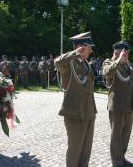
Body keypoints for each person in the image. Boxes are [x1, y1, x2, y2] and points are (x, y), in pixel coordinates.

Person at [54, 31, 97, 167]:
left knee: (86, 148)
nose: (91, 51)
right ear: (82, 47)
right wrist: (74, 53)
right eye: (89, 48)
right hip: (74, 112)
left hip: (89, 111)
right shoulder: (69, 64)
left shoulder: (86, 64)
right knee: (75, 148)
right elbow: (57, 62)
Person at [102, 40, 133, 167]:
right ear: (116, 51)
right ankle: (116, 162)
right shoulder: (109, 63)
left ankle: (122, 157)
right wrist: (118, 61)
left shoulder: (128, 65)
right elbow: (106, 72)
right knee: (116, 135)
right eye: (124, 52)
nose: (127, 54)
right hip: (117, 106)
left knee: (126, 134)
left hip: (130, 105)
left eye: (127, 52)